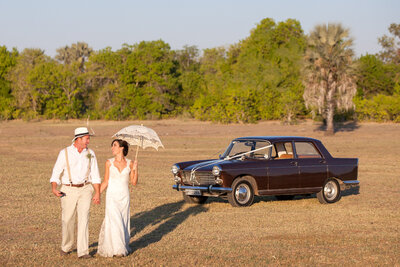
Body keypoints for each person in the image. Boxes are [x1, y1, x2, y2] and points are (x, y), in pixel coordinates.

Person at [50, 127, 101, 259]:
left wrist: (97, 193)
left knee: (84, 219)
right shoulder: (65, 153)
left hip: (85, 189)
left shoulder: (91, 153)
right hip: (68, 189)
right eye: (86, 139)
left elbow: (95, 174)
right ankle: (66, 247)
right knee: (67, 220)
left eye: (88, 139)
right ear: (78, 139)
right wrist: (54, 188)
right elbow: (56, 172)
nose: (88, 141)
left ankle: (83, 252)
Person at [97, 139, 138, 257]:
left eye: (114, 145)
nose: (112, 148)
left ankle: (122, 246)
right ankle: (118, 250)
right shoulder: (109, 163)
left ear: (121, 148)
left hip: (124, 196)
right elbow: (105, 181)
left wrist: (135, 169)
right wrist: (97, 193)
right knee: (115, 220)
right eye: (112, 146)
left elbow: (134, 182)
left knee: (123, 220)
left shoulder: (130, 163)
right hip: (112, 196)